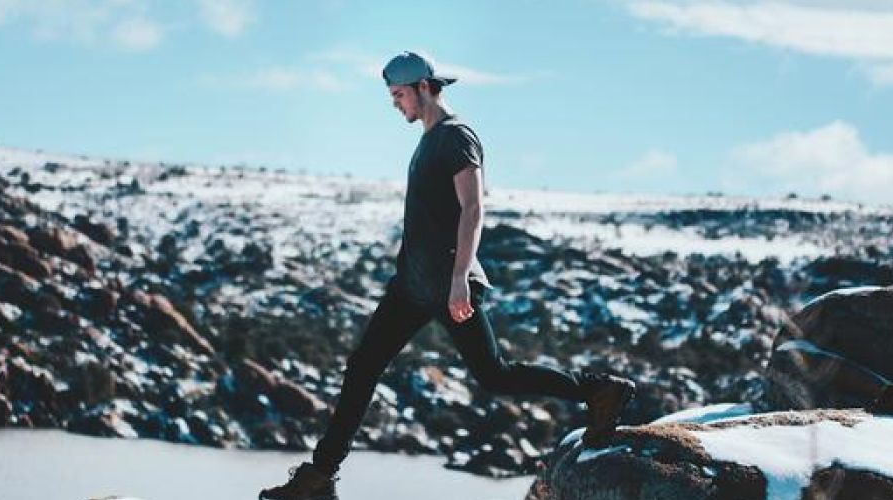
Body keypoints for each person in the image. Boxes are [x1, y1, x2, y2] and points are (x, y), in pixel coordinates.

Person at [260, 51, 636, 500]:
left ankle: (597, 391)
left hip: (445, 284)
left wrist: (460, 277)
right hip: (412, 286)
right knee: (362, 368)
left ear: (424, 87)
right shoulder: (428, 139)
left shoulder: (457, 136)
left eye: (399, 95)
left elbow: (473, 208)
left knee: (494, 375)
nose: (395, 104)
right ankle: (318, 480)